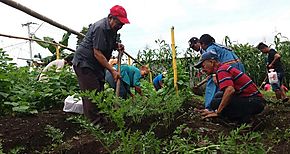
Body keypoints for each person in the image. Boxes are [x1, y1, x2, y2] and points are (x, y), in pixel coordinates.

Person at [72, 5, 130, 124]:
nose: (121, 26)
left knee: (99, 92)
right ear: (110, 18)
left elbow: (106, 43)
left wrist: (116, 45)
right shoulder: (100, 28)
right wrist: (112, 70)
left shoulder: (112, 30)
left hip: (96, 66)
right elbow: (97, 53)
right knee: (91, 94)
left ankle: (100, 121)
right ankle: (95, 125)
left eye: (122, 24)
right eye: (119, 23)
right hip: (85, 64)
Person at [195, 51, 265, 123]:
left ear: (212, 62)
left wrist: (218, 112)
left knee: (216, 103)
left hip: (255, 102)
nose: (203, 70)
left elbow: (230, 90)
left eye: (203, 66)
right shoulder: (223, 69)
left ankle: (243, 121)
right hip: (255, 100)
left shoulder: (222, 70)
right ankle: (243, 117)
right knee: (218, 95)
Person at [197, 34, 245, 109]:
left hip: (228, 66)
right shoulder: (219, 46)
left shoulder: (210, 48)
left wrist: (213, 75)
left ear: (202, 44)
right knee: (237, 87)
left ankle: (209, 107)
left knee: (214, 83)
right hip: (238, 65)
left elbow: (212, 57)